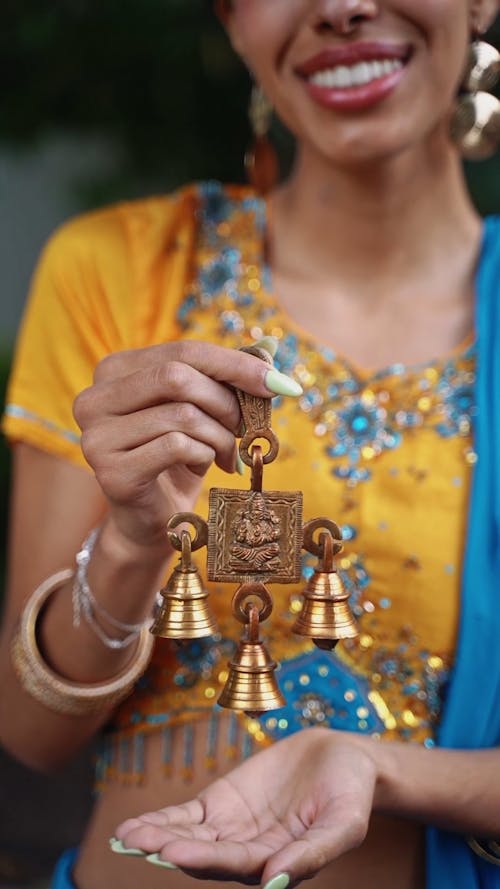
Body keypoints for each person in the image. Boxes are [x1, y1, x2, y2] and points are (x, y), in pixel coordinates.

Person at [1, 2, 500, 889]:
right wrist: (130, 543)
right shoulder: (120, 270)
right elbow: (29, 731)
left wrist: (386, 768)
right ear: (232, 20)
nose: (342, 6)